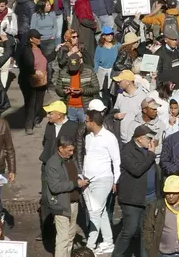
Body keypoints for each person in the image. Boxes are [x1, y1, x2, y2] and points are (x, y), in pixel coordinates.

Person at [114, 125, 161, 257]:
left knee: (146, 232)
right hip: (132, 199)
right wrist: (151, 155)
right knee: (129, 230)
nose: (151, 141)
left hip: (150, 197)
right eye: (149, 138)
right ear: (139, 139)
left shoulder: (147, 150)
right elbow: (137, 170)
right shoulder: (127, 150)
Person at [40, 135, 89, 257]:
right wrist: (75, 183)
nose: (72, 153)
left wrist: (81, 180)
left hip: (73, 202)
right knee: (63, 238)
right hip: (61, 205)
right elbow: (55, 187)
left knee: (70, 236)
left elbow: (75, 175)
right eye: (69, 150)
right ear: (61, 148)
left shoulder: (70, 160)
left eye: (73, 150)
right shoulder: (53, 164)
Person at [83, 110, 121, 253]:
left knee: (94, 211)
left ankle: (90, 245)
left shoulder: (109, 138)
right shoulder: (88, 137)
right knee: (102, 211)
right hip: (89, 180)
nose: (85, 123)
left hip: (104, 179)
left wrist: (115, 181)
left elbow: (116, 160)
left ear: (92, 122)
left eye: (87, 121)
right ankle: (108, 240)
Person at [40, 101, 79, 166]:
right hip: (47, 163)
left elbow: (77, 148)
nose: (47, 116)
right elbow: (45, 141)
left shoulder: (74, 127)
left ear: (59, 115)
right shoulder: (49, 125)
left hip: (64, 165)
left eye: (50, 113)